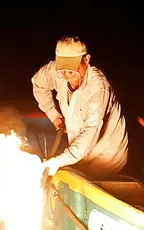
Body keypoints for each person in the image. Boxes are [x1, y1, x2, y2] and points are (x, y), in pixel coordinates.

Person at [32, 37, 129, 178]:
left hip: (106, 157)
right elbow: (38, 84)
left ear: (87, 59)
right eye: (63, 68)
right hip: (80, 151)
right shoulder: (55, 71)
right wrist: (54, 115)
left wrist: (59, 160)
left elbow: (90, 130)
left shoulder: (98, 87)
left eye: (72, 67)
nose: (67, 74)